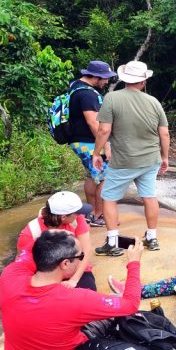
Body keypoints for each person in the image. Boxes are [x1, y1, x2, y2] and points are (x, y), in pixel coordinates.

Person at [0, 231, 144, 350]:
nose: (82, 260)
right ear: (65, 263)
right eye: (80, 256)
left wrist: (52, 234)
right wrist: (134, 263)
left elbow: (30, 250)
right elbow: (130, 305)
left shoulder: (10, 275)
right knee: (114, 302)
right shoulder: (76, 299)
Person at [92, 60, 169, 256]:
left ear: (124, 79)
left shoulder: (112, 98)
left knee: (108, 198)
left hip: (124, 161)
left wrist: (96, 153)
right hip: (150, 159)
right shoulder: (154, 102)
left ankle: (112, 242)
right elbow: (164, 134)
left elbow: (104, 130)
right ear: (143, 81)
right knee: (149, 197)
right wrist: (165, 157)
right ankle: (152, 238)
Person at [66, 60, 117, 226]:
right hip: (89, 141)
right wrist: (105, 145)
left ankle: (91, 212)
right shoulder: (88, 94)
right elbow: (94, 123)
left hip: (79, 140)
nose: (107, 81)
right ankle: (99, 215)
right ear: (95, 77)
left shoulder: (75, 87)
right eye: (105, 78)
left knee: (92, 176)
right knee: (106, 178)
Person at [16, 191, 97, 290]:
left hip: (74, 269)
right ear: (63, 217)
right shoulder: (31, 232)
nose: (80, 214)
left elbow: (86, 250)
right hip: (46, 274)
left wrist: (74, 280)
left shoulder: (78, 219)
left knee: (88, 292)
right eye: (77, 212)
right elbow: (21, 263)